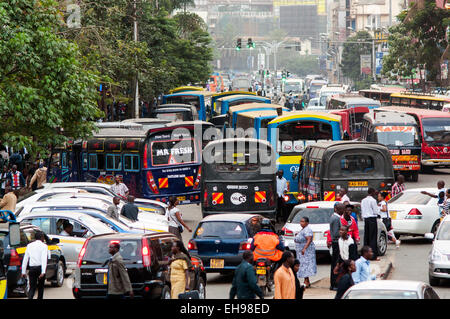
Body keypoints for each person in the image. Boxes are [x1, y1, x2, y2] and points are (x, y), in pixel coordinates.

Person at [21, 231, 48, 299]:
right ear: (42, 238)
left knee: (32, 287)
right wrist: (43, 272)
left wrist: (23, 272)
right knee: (40, 288)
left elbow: (25, 259)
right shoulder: (44, 246)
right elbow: (44, 259)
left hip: (32, 269)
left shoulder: (29, 246)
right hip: (40, 268)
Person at [294, 217, 316, 288]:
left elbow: (309, 239)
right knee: (303, 265)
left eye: (303, 222)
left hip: (306, 252)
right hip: (301, 251)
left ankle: (306, 281)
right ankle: (306, 281)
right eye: (300, 221)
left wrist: (304, 248)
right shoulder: (303, 229)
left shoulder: (307, 230)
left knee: (305, 265)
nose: (301, 223)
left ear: (307, 223)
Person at [329, 202, 344, 290]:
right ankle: (334, 284)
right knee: (336, 263)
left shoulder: (336, 218)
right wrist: (343, 233)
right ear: (336, 209)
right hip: (336, 243)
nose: (343, 211)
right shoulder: (335, 219)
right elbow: (335, 233)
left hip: (337, 242)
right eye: (341, 209)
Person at [361, 188, 379, 261]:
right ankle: (373, 256)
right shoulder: (373, 200)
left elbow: (362, 210)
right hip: (372, 219)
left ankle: (365, 255)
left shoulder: (363, 200)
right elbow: (375, 211)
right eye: (374, 192)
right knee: (373, 238)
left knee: (366, 237)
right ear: (372, 193)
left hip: (366, 219)